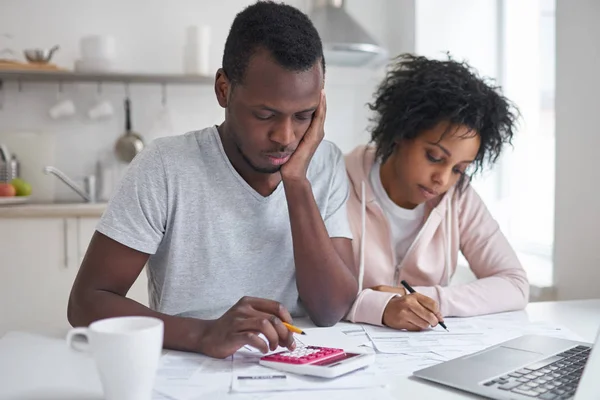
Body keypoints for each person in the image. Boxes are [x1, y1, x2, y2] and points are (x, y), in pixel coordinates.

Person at [67, 1, 357, 359]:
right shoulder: (165, 166)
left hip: (294, 364)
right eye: (265, 114)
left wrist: (296, 182)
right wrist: (204, 334)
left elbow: (331, 309)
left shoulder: (324, 162)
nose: (285, 136)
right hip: (187, 366)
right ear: (223, 89)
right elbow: (86, 302)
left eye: (304, 116)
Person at [344, 54, 529, 331]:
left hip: (420, 353)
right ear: (401, 133)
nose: (442, 179)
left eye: (459, 169)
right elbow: (309, 291)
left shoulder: (459, 198)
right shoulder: (339, 183)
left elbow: (514, 283)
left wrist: (424, 298)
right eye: (434, 156)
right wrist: (380, 307)